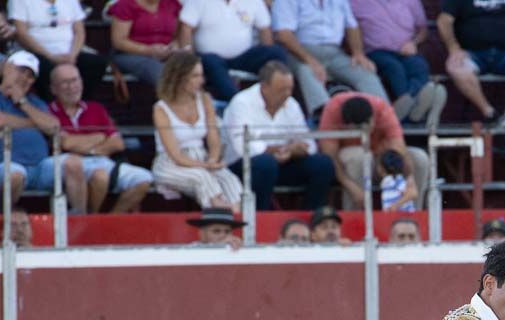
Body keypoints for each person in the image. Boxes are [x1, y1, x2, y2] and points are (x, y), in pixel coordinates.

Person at [0, 50, 89, 210]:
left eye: (30, 75)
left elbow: (53, 126)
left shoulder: (34, 102)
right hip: (6, 164)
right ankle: (0, 222)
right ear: (8, 68)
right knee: (15, 175)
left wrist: (22, 103)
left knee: (74, 163)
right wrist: (34, 123)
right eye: (21, 71)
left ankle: (80, 221)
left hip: (40, 167)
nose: (25, 78)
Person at [222, 61, 335, 210]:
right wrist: (282, 149)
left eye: (290, 89)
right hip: (243, 167)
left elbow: (309, 144)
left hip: (282, 162)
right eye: (282, 90)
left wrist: (295, 150)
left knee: (323, 164)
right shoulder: (241, 103)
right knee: (265, 164)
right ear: (264, 87)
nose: (287, 94)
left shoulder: (292, 104)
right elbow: (243, 148)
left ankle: (313, 218)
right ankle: (259, 219)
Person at [49, 63, 153, 213]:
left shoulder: (95, 108)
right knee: (100, 176)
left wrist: (89, 149)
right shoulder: (48, 112)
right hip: (71, 166)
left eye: (75, 80)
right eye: (65, 82)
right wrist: (100, 137)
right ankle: (92, 219)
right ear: (53, 88)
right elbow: (66, 143)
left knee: (144, 178)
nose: (72, 86)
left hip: (103, 160)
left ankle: (110, 220)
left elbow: (117, 143)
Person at [151, 51, 242, 210]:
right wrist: (204, 166)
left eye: (201, 75)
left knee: (229, 179)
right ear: (179, 77)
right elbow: (175, 155)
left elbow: (213, 137)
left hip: (202, 157)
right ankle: (218, 216)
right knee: (202, 178)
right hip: (172, 163)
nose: (201, 80)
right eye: (195, 76)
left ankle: (237, 216)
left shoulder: (205, 99)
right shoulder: (160, 109)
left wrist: (213, 159)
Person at [437, 0, 505, 128]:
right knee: (455, 67)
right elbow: (444, 21)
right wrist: (453, 48)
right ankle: (490, 114)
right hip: (473, 54)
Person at [271, 0, 387, 117]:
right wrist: (310, 60)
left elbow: (352, 26)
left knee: (365, 73)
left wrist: (358, 53)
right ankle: (326, 117)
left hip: (335, 52)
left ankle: (384, 114)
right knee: (306, 71)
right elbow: (283, 35)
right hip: (300, 52)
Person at [317, 91, 428, 209]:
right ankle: (354, 218)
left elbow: (399, 149)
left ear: (372, 119)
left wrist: (409, 179)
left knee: (419, 158)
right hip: (350, 161)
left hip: (380, 158)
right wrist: (351, 186)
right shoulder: (333, 110)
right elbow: (330, 156)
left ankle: (414, 216)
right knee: (359, 156)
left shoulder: (382, 109)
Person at [350, 0, 446, 125]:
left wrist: (414, 43)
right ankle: (415, 111)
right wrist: (358, 53)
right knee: (395, 68)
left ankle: (409, 107)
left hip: (406, 50)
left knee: (420, 66)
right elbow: (347, 25)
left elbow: (423, 29)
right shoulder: (356, 2)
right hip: (376, 51)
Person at [178, 0, 286, 102]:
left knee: (276, 52)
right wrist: (189, 61)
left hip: (243, 58)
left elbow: (264, 29)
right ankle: (237, 104)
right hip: (211, 59)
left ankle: (274, 97)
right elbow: (186, 27)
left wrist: (267, 55)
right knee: (211, 63)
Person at [8, 0, 107, 101]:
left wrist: (73, 56)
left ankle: (80, 105)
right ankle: (49, 108)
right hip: (37, 53)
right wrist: (50, 56)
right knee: (43, 67)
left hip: (69, 54)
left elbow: (79, 31)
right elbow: (21, 33)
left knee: (96, 63)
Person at [108, 0, 183, 90]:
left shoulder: (172, 4)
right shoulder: (125, 5)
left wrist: (174, 45)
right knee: (159, 71)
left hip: (166, 53)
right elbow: (118, 41)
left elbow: (178, 35)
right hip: (130, 54)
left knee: (189, 66)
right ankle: (174, 102)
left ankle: (197, 102)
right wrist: (148, 50)